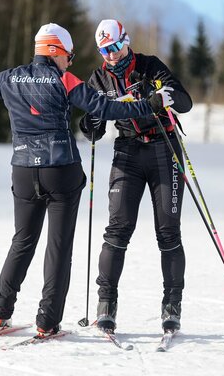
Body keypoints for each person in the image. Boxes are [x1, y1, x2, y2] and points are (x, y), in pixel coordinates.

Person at [0, 22, 172, 337]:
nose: (70, 60)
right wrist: (147, 105)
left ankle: (0, 311)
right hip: (61, 171)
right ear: (54, 51)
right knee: (58, 246)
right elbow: (104, 108)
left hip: (24, 171)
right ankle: (47, 321)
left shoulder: (9, 77)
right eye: (68, 55)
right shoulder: (65, 79)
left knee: (22, 241)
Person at [79, 19, 193, 334]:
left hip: (163, 149)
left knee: (168, 232)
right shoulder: (98, 79)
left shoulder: (150, 66)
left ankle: (172, 307)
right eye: (105, 50)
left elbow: (185, 103)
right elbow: (92, 132)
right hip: (127, 152)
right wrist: (91, 120)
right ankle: (106, 306)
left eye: (115, 47)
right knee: (117, 229)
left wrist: (163, 93)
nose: (111, 55)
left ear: (126, 41)